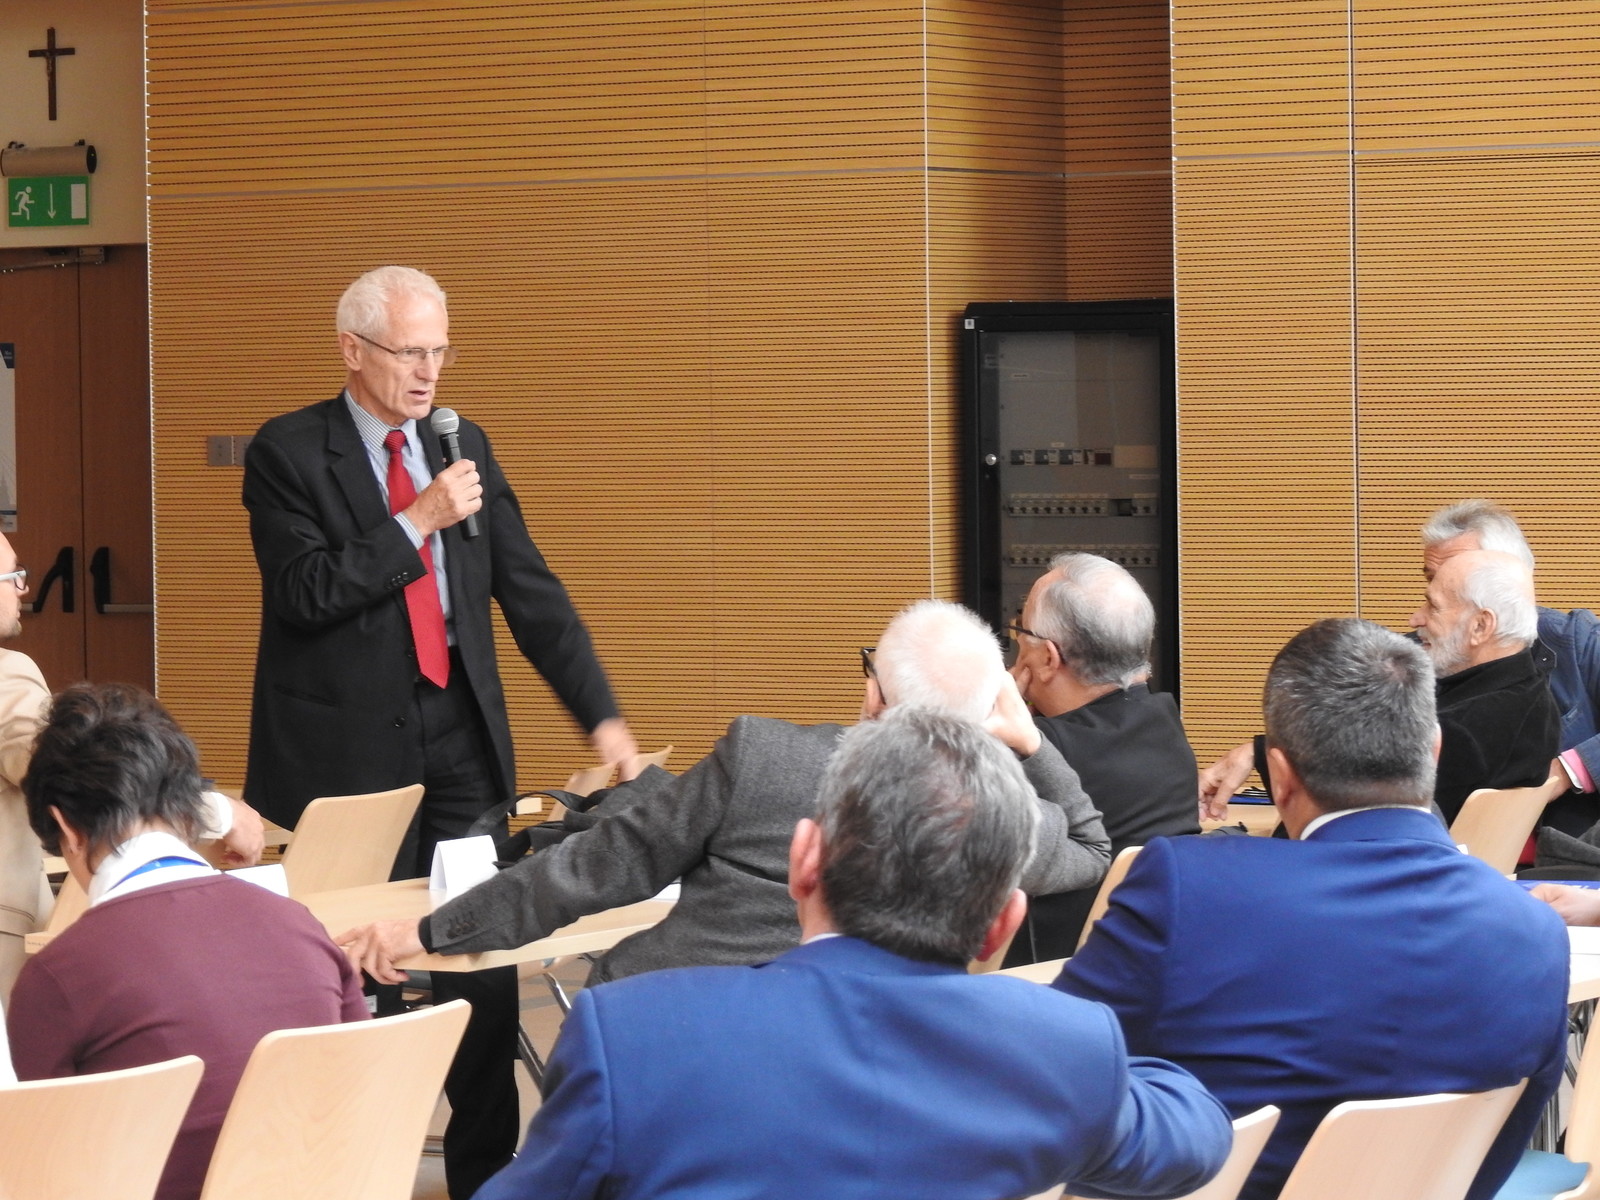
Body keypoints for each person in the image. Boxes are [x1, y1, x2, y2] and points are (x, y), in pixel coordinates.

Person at [473, 707, 1232, 1200]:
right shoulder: (1066, 1055)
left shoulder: (630, 1035)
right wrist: (1059, 1046)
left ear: (805, 862)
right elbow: (1198, 1136)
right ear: (1002, 924)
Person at [242, 265, 638, 1198]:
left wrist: (603, 716)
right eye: (410, 352)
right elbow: (304, 594)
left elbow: (531, 594)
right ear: (353, 351)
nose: (429, 373)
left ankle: (485, 1178)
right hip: (346, 754)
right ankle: (357, 1173)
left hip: (459, 735)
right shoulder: (288, 452)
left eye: (440, 351)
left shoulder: (463, 444)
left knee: (477, 954)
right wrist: (416, 520)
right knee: (360, 970)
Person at [1057, 617, 1570, 1200]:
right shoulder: (1536, 932)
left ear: (1278, 776)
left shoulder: (1189, 889)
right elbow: (1501, 1148)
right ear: (1433, 750)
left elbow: (1053, 1069)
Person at [340, 599, 1111, 987]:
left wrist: (432, 929)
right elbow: (1090, 845)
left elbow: (594, 868)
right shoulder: (997, 817)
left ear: (876, 695)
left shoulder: (764, 758)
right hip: (862, 1071)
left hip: (672, 1032)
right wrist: (1027, 740)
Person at [6, 684, 366, 1200]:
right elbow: (358, 1084)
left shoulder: (58, 976)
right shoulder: (301, 926)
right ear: (190, 804)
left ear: (66, 827)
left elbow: (47, 1169)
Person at [0, 531, 261, 999]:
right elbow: (72, 771)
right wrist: (219, 813)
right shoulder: (5, 675)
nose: (24, 588)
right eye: (12, 575)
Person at [1198, 547, 1559, 826]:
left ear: (1480, 626)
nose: (1415, 618)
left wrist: (1260, 753)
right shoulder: (1526, 697)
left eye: (1432, 607)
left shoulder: (1479, 723)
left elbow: (1353, 777)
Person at [1006, 553, 1198, 961]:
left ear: (1048, 658)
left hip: (1040, 977)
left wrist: (993, 715)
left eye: (1020, 628)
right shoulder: (1165, 722)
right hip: (1146, 964)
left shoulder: (1040, 751)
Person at [1420, 499, 1600, 835]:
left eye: (1466, 572)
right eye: (1434, 579)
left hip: (1573, 848)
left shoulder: (1578, 641)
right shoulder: (1411, 657)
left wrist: (1567, 770)